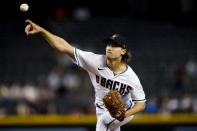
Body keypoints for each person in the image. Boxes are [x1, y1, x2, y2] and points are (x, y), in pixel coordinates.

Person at [25, 19, 146, 131]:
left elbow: (141, 104)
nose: (109, 48)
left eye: (114, 46)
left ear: (123, 52)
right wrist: (42, 31)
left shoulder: (131, 77)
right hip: (101, 109)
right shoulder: (94, 61)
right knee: (105, 119)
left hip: (124, 110)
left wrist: (124, 114)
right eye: (108, 45)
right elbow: (64, 47)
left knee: (105, 121)